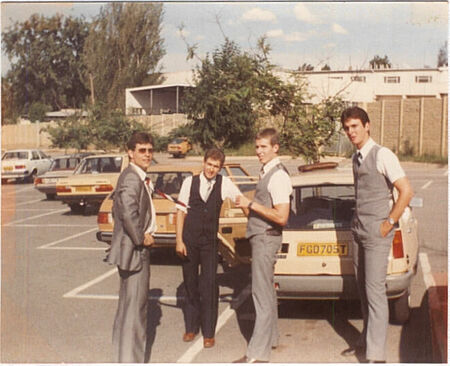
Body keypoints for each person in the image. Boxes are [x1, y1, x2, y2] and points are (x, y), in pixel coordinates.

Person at [340, 106, 413, 363]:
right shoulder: (355, 157)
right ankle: (366, 340)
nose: (351, 132)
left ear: (367, 126)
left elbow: (406, 191)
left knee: (375, 292)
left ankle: (376, 355)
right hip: (359, 229)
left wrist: (389, 222)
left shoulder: (383, 155)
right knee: (362, 289)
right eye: (347, 128)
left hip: (377, 231)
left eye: (355, 126)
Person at [234, 128, 292, 363]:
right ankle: (273, 339)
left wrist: (252, 205)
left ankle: (257, 354)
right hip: (263, 237)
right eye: (257, 147)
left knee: (261, 295)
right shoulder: (267, 171)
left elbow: (282, 217)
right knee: (266, 291)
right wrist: (245, 205)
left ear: (275, 148)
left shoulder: (277, 176)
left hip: (266, 239)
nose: (258, 151)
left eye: (263, 147)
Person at [175, 148, 243, 349]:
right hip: (189, 240)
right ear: (203, 163)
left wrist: (254, 222)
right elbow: (180, 213)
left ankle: (208, 332)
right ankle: (191, 327)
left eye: (216, 166)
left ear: (220, 168)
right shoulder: (190, 182)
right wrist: (179, 241)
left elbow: (241, 201)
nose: (211, 169)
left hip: (210, 243)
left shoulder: (225, 183)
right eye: (209, 164)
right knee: (190, 283)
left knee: (210, 284)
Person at [107, 131, 156, 363]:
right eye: (142, 150)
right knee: (136, 312)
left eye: (149, 150)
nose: (147, 155)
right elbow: (127, 211)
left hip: (132, 251)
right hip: (135, 251)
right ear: (131, 153)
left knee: (129, 309)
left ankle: (123, 357)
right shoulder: (131, 178)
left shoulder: (137, 175)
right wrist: (141, 238)